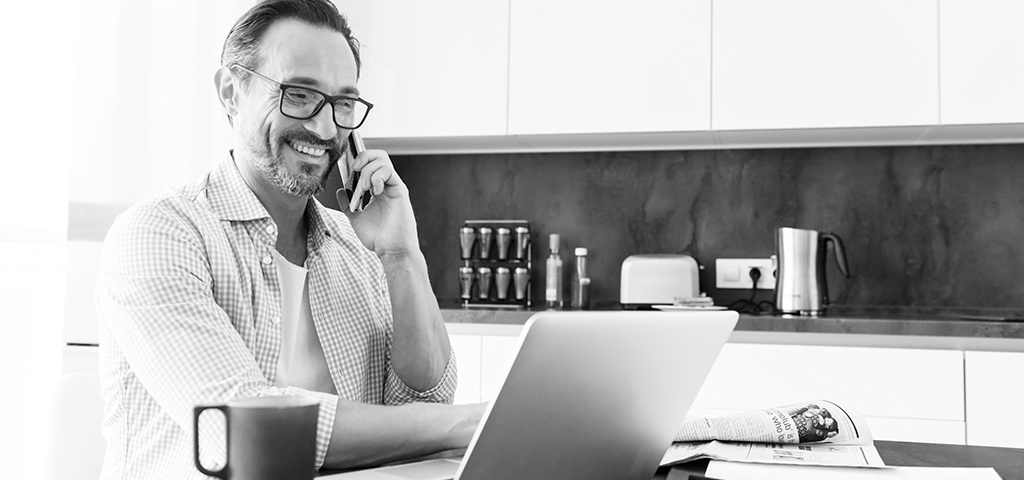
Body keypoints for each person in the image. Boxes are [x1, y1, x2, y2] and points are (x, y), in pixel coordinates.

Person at [95, 1, 485, 478]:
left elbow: (422, 403)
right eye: (299, 94)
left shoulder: (354, 247)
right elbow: (242, 427)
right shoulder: (160, 234)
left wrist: (401, 256)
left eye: (343, 104)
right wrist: (467, 423)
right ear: (231, 93)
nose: (324, 129)